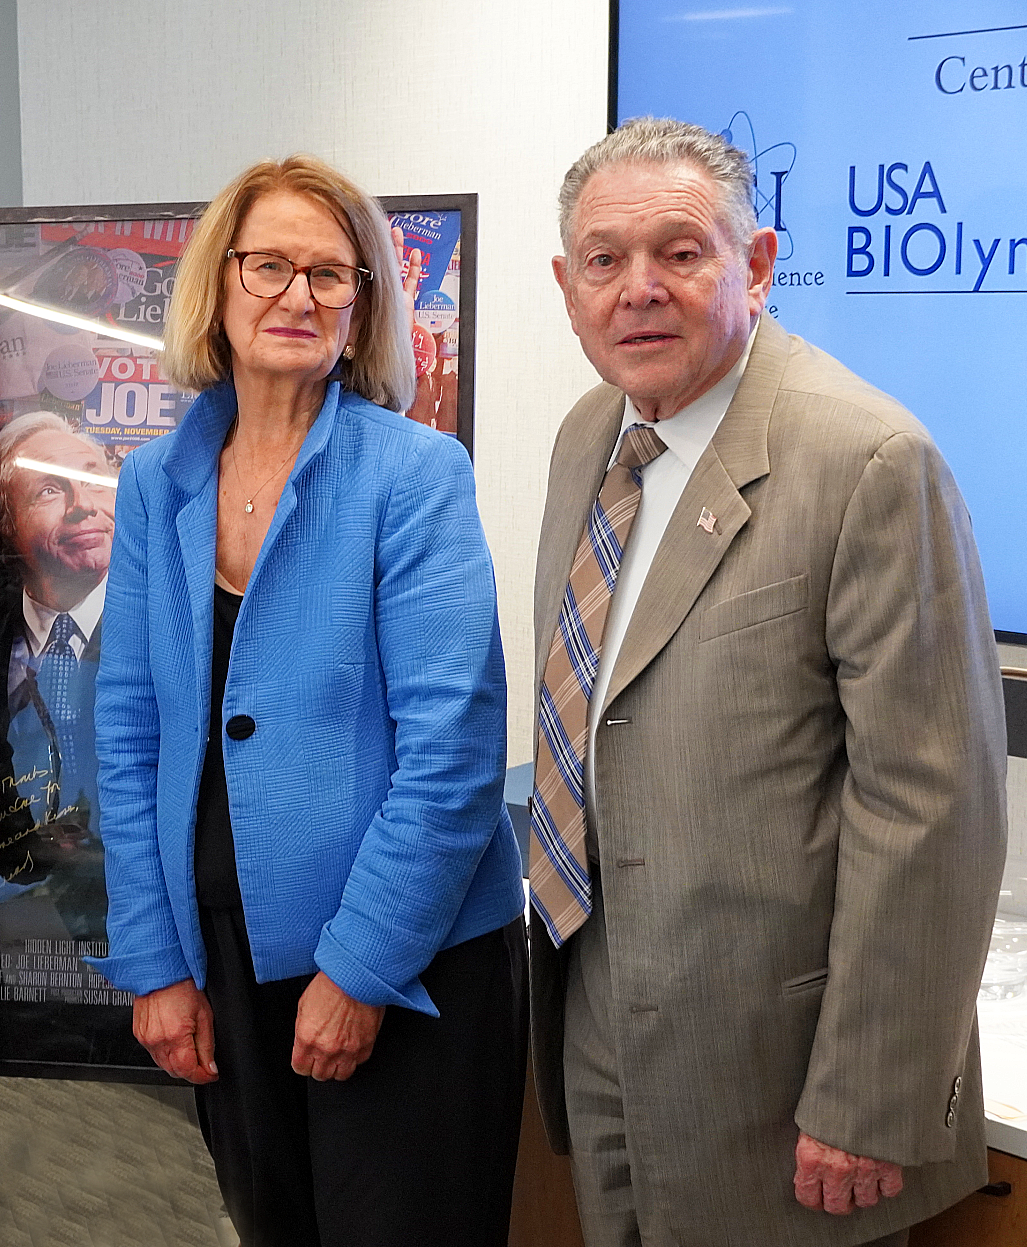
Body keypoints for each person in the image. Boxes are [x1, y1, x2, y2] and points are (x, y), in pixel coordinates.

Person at [529, 118, 1006, 1247]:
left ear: (753, 264)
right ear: (565, 283)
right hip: (597, 1019)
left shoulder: (868, 459)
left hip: (786, 1072)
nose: (637, 289)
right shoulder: (584, 436)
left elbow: (930, 811)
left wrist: (866, 1096)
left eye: (679, 253)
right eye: (603, 260)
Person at [92, 155, 526, 1246]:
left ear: (362, 305)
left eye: (329, 275)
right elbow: (129, 731)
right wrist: (151, 960)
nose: (296, 295)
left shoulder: (413, 474)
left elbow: (453, 757)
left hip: (406, 962)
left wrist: (361, 968)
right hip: (223, 954)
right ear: (217, 284)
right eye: (269, 265)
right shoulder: (156, 482)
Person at [0, 413, 116, 919]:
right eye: (50, 491)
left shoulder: (171, 620)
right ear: (3, 526)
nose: (84, 506)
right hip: (11, 918)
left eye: (94, 480)